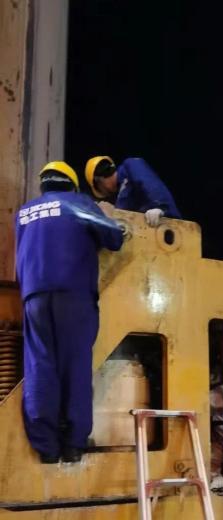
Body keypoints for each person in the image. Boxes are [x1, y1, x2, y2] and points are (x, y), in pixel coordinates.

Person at [15, 161, 124, 464]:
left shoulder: (24, 212)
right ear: (72, 184)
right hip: (73, 293)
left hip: (33, 297)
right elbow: (114, 238)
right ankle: (74, 444)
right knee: (75, 366)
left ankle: (46, 449)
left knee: (40, 367)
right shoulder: (79, 204)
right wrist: (107, 215)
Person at [85, 156, 181, 226]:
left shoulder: (130, 166)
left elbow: (149, 183)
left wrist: (161, 207)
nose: (107, 193)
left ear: (99, 181)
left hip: (170, 227)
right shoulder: (122, 197)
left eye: (102, 191)